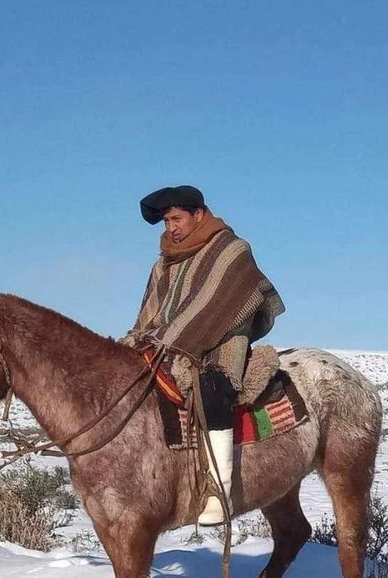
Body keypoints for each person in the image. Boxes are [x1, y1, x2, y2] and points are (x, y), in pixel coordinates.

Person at [122, 184, 284, 525]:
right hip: (168, 341)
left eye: (177, 219)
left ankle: (219, 491)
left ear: (199, 214)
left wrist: (176, 336)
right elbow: (151, 312)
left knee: (214, 389)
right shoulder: (164, 262)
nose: (171, 228)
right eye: (166, 221)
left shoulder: (232, 250)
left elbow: (222, 304)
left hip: (225, 339)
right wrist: (137, 341)